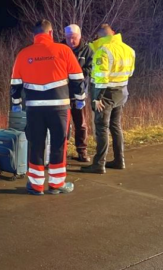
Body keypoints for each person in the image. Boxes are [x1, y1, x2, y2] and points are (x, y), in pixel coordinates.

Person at [10, 20, 86, 195]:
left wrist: (16, 104)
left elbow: (15, 84)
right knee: (59, 144)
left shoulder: (23, 54)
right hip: (59, 108)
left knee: (36, 144)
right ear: (51, 33)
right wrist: (80, 99)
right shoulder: (63, 50)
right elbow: (77, 78)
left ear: (34, 36)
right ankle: (56, 184)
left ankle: (36, 185)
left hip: (34, 109)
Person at [81, 24, 135, 174]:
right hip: (122, 92)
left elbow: (100, 79)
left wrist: (97, 99)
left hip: (106, 94)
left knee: (101, 127)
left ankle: (99, 164)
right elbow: (130, 72)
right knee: (115, 126)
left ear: (99, 36)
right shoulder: (129, 50)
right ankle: (119, 160)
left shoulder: (103, 51)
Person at [64, 24, 93, 163]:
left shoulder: (87, 50)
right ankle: (61, 152)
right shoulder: (60, 49)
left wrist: (78, 74)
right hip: (62, 93)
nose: (71, 41)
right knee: (61, 124)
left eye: (74, 38)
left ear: (79, 36)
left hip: (79, 93)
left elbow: (91, 67)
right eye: (68, 38)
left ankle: (82, 150)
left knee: (80, 123)